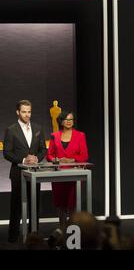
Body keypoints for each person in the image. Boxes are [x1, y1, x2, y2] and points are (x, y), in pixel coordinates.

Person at [3, 100, 47, 243]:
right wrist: (23, 160)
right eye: (24, 111)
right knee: (16, 205)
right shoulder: (11, 130)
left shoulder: (38, 128)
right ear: (18, 112)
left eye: (29, 111)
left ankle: (34, 236)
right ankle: (13, 237)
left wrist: (36, 158)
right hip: (17, 173)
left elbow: (43, 150)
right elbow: (7, 153)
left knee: (35, 205)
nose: (27, 114)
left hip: (35, 173)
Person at [46, 111, 88, 228]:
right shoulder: (54, 135)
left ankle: (73, 233)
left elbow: (84, 156)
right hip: (58, 175)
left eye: (71, 119)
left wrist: (72, 160)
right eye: (66, 119)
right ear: (61, 121)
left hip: (75, 175)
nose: (69, 121)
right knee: (60, 205)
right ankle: (62, 230)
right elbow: (49, 155)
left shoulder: (80, 135)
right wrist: (57, 159)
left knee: (72, 205)